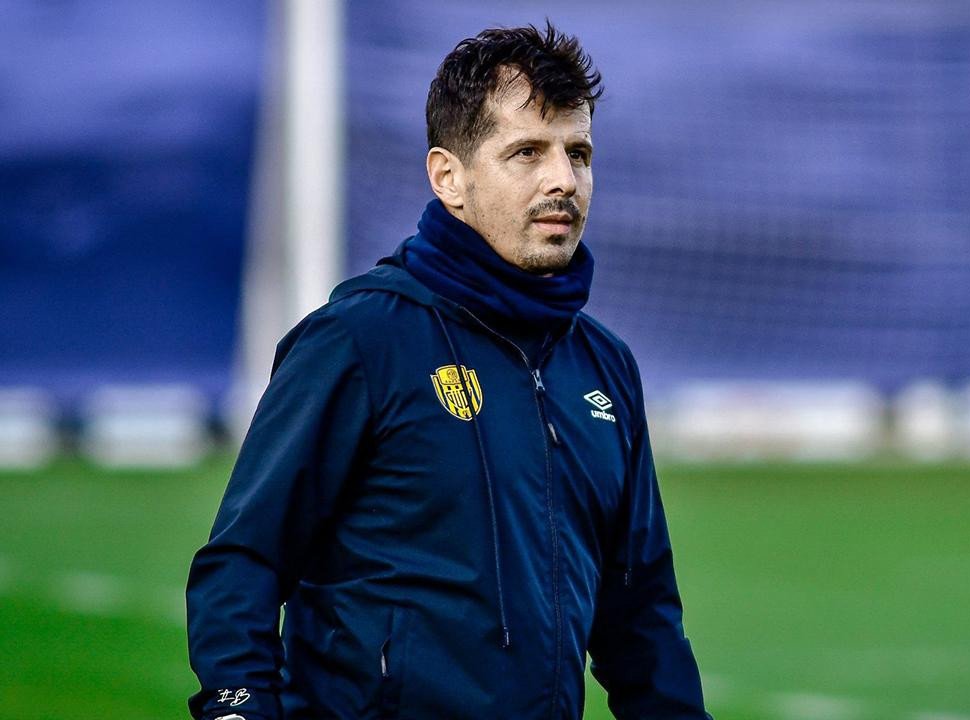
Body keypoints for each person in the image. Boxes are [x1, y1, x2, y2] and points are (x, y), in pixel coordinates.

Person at [186, 21, 712, 720]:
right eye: (527, 152)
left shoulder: (604, 366)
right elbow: (244, 561)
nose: (564, 179)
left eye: (578, 153)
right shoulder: (361, 339)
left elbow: (640, 616)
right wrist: (237, 706)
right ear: (448, 178)